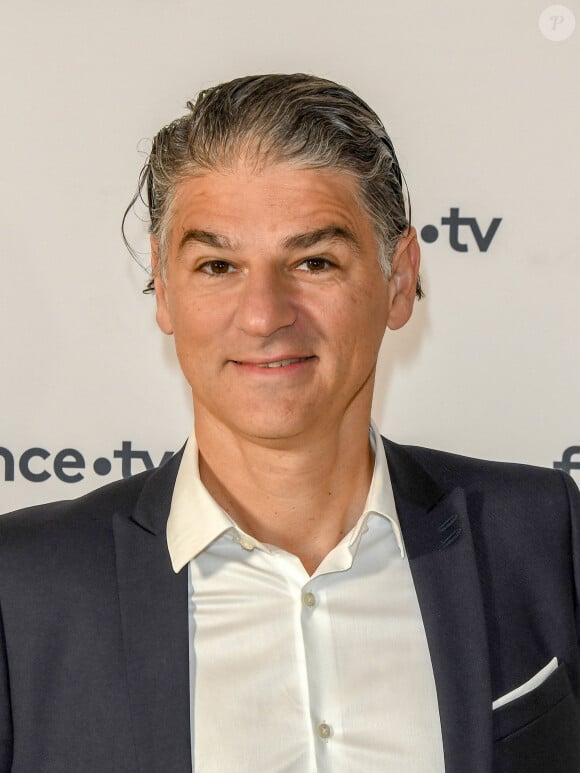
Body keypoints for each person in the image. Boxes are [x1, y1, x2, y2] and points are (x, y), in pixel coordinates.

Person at [1, 74, 579, 773]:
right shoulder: (23, 589)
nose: (265, 313)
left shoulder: (544, 538)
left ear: (398, 279)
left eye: (313, 261)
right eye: (218, 265)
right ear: (163, 284)